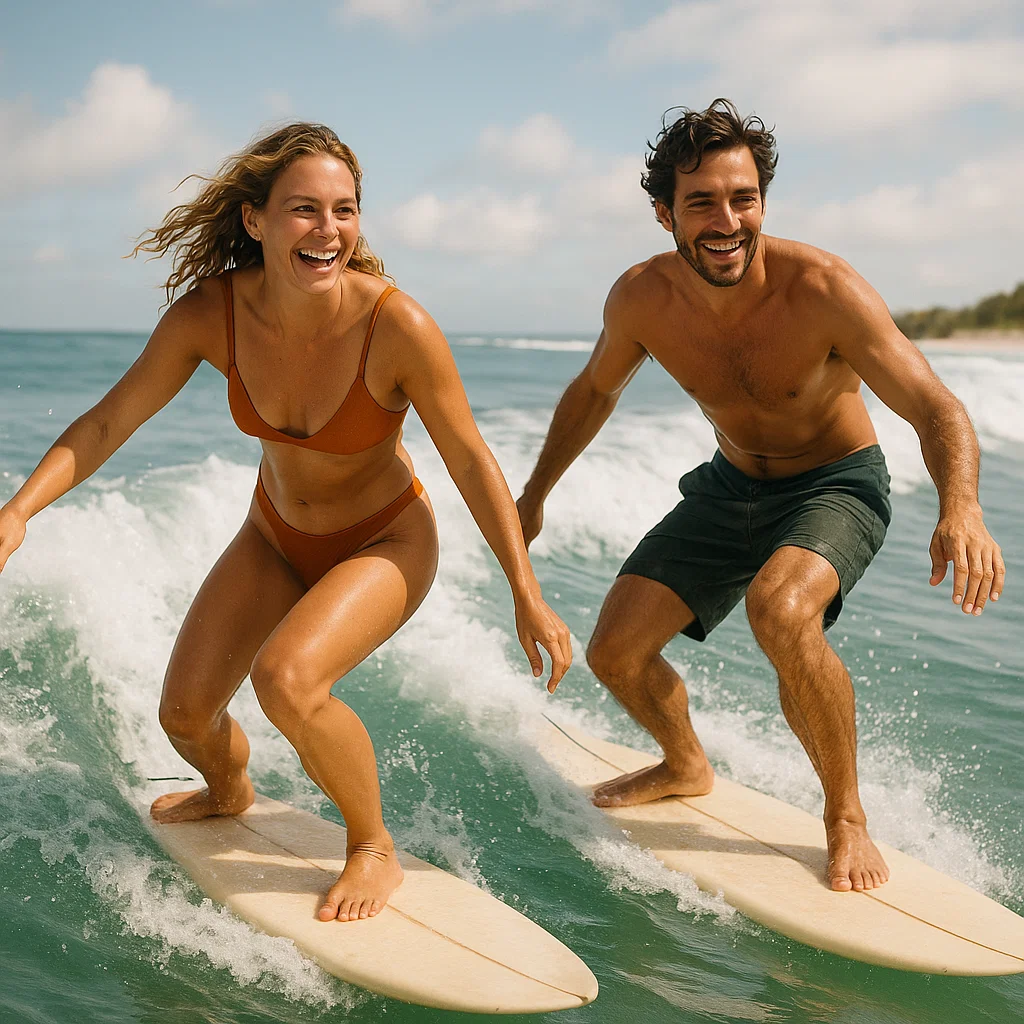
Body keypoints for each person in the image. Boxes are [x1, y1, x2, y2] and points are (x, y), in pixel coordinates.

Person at [0, 123, 571, 923]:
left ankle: (373, 846)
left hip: (386, 542)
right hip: (273, 536)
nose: (328, 230)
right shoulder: (214, 315)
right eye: (305, 210)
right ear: (256, 221)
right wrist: (17, 511)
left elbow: (471, 459)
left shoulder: (394, 326)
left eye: (345, 210)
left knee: (288, 681)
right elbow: (105, 423)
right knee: (186, 715)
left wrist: (525, 587)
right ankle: (231, 789)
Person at [516, 99, 1005, 893]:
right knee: (615, 653)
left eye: (743, 198)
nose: (726, 220)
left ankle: (845, 816)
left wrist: (963, 506)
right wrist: (533, 495)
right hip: (730, 484)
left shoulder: (823, 288)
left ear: (763, 202)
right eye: (701, 201)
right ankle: (684, 763)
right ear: (663, 213)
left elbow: (935, 407)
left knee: (780, 610)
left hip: (837, 481)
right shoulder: (642, 298)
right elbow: (592, 393)